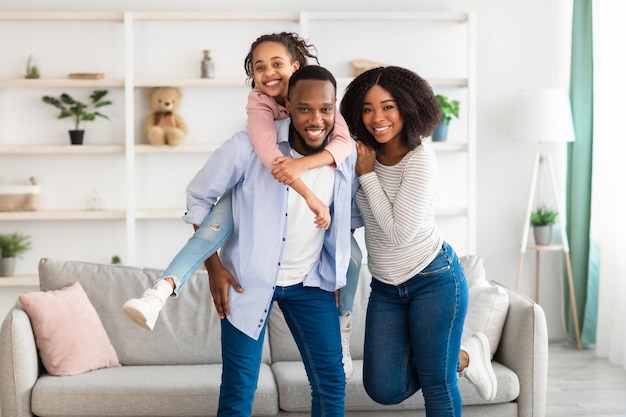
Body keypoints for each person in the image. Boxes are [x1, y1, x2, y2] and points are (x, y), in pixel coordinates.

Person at [122, 33, 361, 377]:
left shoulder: (324, 105)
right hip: (254, 185)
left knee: (353, 257)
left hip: (308, 278)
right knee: (213, 227)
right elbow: (269, 157)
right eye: (259, 67)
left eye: (277, 64)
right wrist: (214, 267)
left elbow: (342, 144)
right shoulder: (259, 107)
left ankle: (344, 324)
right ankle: (159, 292)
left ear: (295, 66)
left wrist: (313, 163)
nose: (268, 73)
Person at [196, 65, 358, 416]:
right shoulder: (247, 147)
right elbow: (198, 200)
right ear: (288, 104)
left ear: (335, 108)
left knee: (331, 385)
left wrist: (336, 269)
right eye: (304, 108)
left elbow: (347, 222)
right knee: (239, 389)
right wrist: (214, 267)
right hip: (247, 282)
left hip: (311, 283)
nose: (316, 119)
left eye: (325, 109)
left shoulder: (344, 157)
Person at [340, 65, 496, 415]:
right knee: (383, 388)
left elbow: (397, 233)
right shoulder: (361, 153)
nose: (377, 117)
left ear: (408, 107)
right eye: (367, 108)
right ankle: (460, 356)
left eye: (388, 106)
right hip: (385, 287)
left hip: (433, 280)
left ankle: (459, 357)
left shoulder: (420, 159)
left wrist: (366, 176)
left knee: (438, 383)